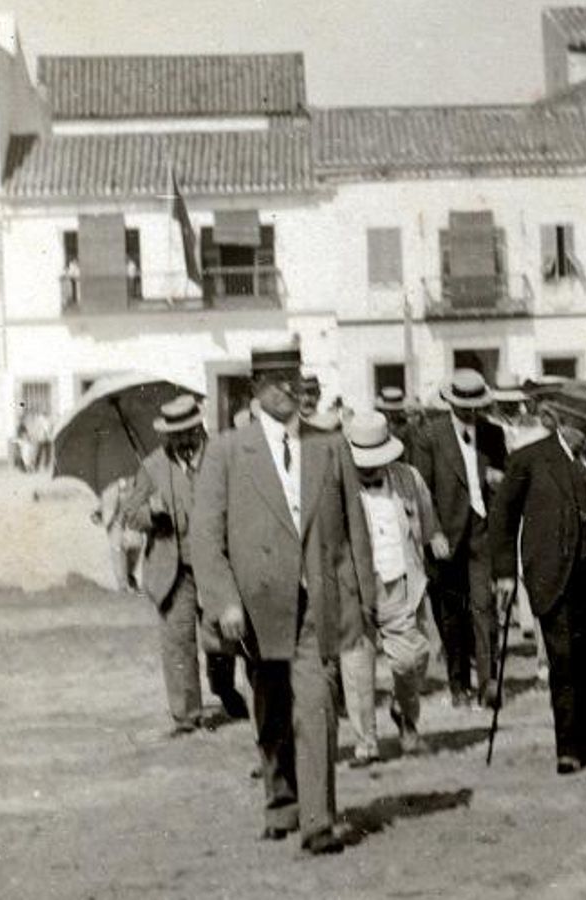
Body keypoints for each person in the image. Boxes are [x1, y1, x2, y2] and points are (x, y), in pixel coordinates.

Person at [191, 341, 375, 855]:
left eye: (293, 378)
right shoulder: (228, 452)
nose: (287, 389)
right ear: (255, 390)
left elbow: (355, 530)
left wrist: (363, 600)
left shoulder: (330, 445)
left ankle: (319, 821)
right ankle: (282, 802)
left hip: (318, 603)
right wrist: (223, 601)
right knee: (271, 710)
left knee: (315, 706)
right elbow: (205, 538)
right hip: (254, 611)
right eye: (274, 381)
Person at [493, 380, 586, 774]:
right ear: (563, 422)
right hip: (552, 573)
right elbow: (503, 518)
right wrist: (503, 574)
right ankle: (568, 745)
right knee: (564, 660)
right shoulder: (529, 459)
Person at [122, 394, 248, 734]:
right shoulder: (152, 466)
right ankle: (186, 715)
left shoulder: (222, 457)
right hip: (172, 572)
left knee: (221, 638)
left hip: (217, 564)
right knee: (178, 642)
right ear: (166, 434)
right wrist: (153, 513)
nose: (182, 439)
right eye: (174, 434)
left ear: (199, 427)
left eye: (188, 431)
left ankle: (223, 689)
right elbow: (130, 514)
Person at [345, 410, 446, 759]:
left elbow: (426, 514)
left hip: (401, 581)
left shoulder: (408, 477)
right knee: (358, 667)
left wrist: (434, 536)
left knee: (412, 659)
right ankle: (366, 741)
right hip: (357, 587)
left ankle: (405, 714)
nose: (370, 469)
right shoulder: (338, 485)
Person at [410, 369, 506, 709]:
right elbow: (421, 492)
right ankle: (458, 685)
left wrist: (500, 480)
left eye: (475, 406)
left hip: (483, 534)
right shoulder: (429, 436)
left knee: (485, 610)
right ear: (450, 403)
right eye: (463, 406)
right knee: (451, 617)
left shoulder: (494, 435)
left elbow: (503, 484)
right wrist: (432, 531)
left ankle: (489, 684)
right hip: (446, 537)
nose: (470, 412)